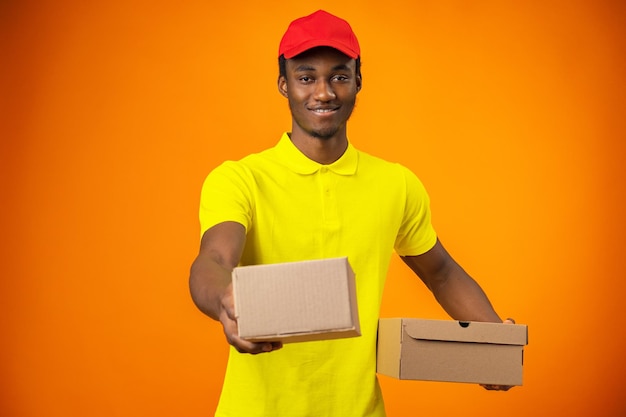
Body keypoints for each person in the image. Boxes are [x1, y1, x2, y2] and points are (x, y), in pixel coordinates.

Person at [189, 9, 514, 417]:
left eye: (339, 76)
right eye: (306, 77)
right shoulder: (239, 179)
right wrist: (226, 300)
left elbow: (442, 272)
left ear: (358, 81)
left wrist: (494, 345)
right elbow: (215, 259)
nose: (323, 92)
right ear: (283, 84)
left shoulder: (395, 183)